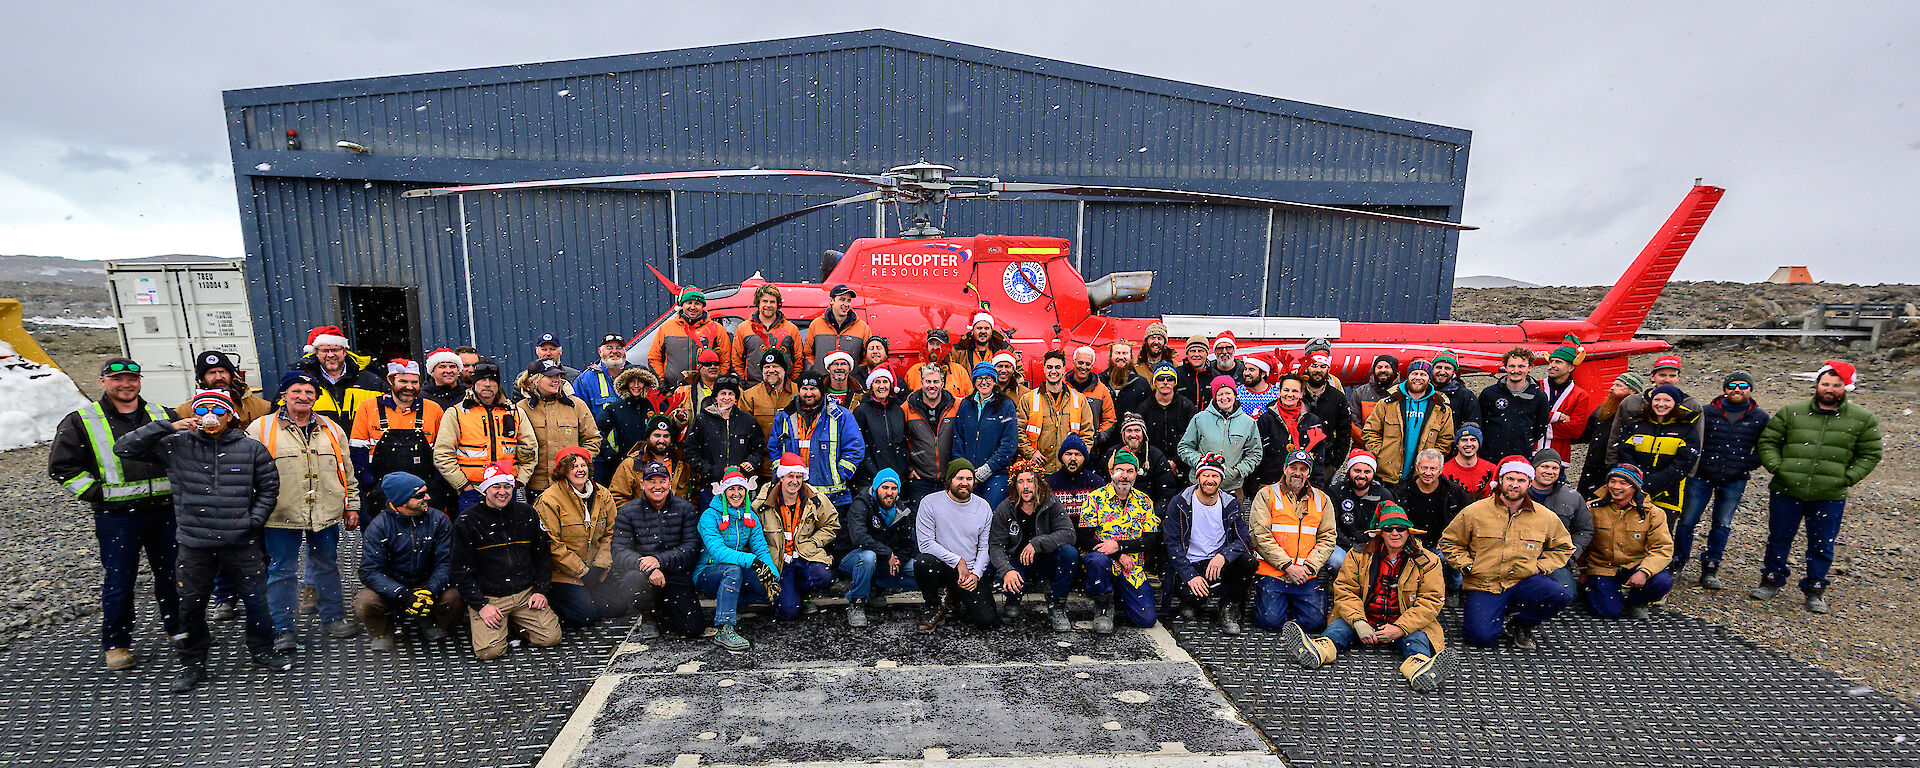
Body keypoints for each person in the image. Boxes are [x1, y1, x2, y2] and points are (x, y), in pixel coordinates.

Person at [113, 387, 287, 692]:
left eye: (219, 411)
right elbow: (124, 449)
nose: (211, 417)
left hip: (241, 541)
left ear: (230, 415)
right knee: (190, 606)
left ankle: (262, 650)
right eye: (204, 410)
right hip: (195, 543)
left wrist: (253, 521)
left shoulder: (251, 449)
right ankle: (192, 662)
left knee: (257, 600)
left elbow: (269, 488)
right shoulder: (174, 444)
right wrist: (166, 425)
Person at [48, 357, 182, 671]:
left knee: (174, 576)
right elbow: (62, 468)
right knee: (120, 581)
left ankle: (179, 630)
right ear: (104, 382)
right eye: (118, 379)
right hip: (119, 517)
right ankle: (117, 643)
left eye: (131, 379)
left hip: (165, 512)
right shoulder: (82, 420)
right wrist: (97, 494)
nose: (126, 385)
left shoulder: (162, 415)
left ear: (139, 382)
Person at [1282, 503, 1457, 693]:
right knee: (1339, 629)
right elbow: (1345, 590)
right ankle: (1318, 651)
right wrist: (1359, 622)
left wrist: (1400, 627)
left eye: (1401, 529)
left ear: (1409, 532)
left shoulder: (1429, 561)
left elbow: (1431, 601)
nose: (1395, 533)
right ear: (1381, 532)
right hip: (1365, 618)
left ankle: (1420, 670)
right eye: (1389, 529)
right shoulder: (1358, 554)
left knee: (1416, 641)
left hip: (1405, 623)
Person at [1752, 360, 1882, 613]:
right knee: (1779, 538)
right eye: (1825, 383)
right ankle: (1771, 579)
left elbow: (1870, 453)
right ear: (1817, 384)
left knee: (1822, 543)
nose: (1830, 389)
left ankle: (1815, 589)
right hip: (1787, 489)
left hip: (1829, 494)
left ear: (1846, 387)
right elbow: (1768, 441)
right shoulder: (1792, 412)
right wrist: (1778, 468)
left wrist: (1847, 478)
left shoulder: (1862, 419)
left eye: (1836, 384)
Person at [249, 371, 360, 650]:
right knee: (281, 570)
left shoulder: (332, 429)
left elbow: (347, 471)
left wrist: (352, 505)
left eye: (309, 392)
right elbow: (248, 475)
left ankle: (333, 617)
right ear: (283, 396)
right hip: (279, 513)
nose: (303, 397)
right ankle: (283, 628)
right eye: (296, 391)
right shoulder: (260, 428)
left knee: (326, 566)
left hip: (325, 512)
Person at [1439, 456, 1575, 648]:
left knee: (1560, 594)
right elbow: (1449, 542)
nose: (1515, 485)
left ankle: (1521, 623)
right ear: (1500, 481)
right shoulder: (1475, 512)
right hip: (1485, 583)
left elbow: (1564, 547)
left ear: (1530, 483)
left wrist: (1540, 567)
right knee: (1480, 638)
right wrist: (1467, 565)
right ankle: (1493, 612)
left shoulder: (1545, 517)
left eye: (1521, 480)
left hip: (1523, 581)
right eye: (1510, 479)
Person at [451, 460, 562, 660]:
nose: (502, 492)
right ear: (485, 490)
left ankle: (515, 624)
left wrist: (540, 590)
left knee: (550, 638)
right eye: (496, 486)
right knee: (489, 652)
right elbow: (461, 570)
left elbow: (542, 556)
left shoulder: (527, 513)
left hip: (525, 593)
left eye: (507, 486)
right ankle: (485, 623)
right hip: (490, 597)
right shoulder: (467, 521)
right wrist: (480, 605)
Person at [1680, 371, 1769, 588]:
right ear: (1724, 388)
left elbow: (1765, 446)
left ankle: (1711, 566)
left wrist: (1746, 464)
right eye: (1732, 385)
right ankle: (1678, 561)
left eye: (1743, 385)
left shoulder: (1760, 417)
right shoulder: (1707, 412)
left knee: (1722, 524)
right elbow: (1692, 438)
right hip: (1701, 476)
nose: (1737, 389)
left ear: (1751, 389)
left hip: (1735, 479)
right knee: (1687, 521)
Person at [355, 472, 461, 651]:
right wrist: (403, 595)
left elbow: (446, 563)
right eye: (420, 495)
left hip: (426, 582)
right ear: (402, 501)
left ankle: (430, 619)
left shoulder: (439, 520)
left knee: (454, 597)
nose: (428, 497)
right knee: (365, 602)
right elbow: (369, 571)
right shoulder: (379, 527)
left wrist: (430, 590)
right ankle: (383, 629)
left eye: (426, 492)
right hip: (393, 585)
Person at [534, 448, 638, 627]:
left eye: (583, 465)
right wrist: (582, 572)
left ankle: (586, 598)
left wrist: (599, 565)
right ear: (563, 470)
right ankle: (556, 601)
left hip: (596, 570)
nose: (580, 470)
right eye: (573, 466)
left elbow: (612, 532)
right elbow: (553, 545)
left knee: (619, 607)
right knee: (586, 616)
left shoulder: (602, 494)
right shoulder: (549, 500)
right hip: (564, 574)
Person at [611, 460, 705, 639]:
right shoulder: (627, 511)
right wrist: (649, 566)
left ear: (670, 483)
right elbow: (619, 551)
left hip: (675, 573)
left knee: (693, 628)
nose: (657, 486)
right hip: (643, 573)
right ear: (643, 484)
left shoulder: (685, 509)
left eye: (662, 481)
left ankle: (666, 609)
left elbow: (691, 547)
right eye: (652, 481)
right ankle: (648, 616)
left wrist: (660, 561)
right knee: (631, 580)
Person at [695, 467, 784, 651]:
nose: (736, 494)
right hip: (709, 572)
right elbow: (718, 551)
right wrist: (752, 561)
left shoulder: (749, 515)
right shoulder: (709, 516)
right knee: (732, 570)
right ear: (724, 491)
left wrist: (773, 576)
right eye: (731, 489)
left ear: (746, 491)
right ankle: (724, 628)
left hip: (737, 569)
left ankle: (736, 605)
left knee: (770, 587)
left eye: (740, 489)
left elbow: (761, 549)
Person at [432, 359, 537, 513]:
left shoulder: (515, 413)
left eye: (493, 380)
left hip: (507, 491)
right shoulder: (456, 413)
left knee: (508, 536)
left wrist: (519, 482)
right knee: (472, 536)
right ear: (474, 383)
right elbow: (442, 454)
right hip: (473, 491)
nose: (488, 384)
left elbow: (530, 451)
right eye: (482, 380)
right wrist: (463, 486)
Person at [1164, 453, 1253, 634]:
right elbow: (1171, 543)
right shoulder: (1180, 502)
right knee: (1190, 599)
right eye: (1205, 475)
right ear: (1198, 477)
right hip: (1191, 563)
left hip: (1218, 563)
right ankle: (1192, 600)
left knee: (1248, 563)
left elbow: (1244, 540)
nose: (1210, 480)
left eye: (1214, 475)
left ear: (1221, 478)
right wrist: (1190, 575)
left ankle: (1228, 606)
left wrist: (1224, 556)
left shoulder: (1230, 503)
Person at [1248, 448, 1336, 631]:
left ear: (1309, 473)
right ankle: (1277, 604)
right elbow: (1259, 535)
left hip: (1306, 574)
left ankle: (1288, 608)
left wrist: (1309, 567)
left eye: (1303, 469)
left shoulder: (1322, 499)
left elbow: (1328, 538)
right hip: (1273, 572)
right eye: (1293, 468)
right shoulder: (1266, 494)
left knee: (1315, 623)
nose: (1297, 473)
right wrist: (1287, 566)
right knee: (1269, 621)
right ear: (1284, 469)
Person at [349, 359, 446, 524]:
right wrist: (369, 487)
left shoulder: (433, 409)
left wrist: (436, 486)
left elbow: (443, 451)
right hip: (382, 491)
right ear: (390, 380)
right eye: (403, 381)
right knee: (380, 543)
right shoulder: (368, 407)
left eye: (414, 382)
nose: (409, 387)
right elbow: (357, 452)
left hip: (424, 492)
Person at [988, 460, 1078, 630]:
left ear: (1038, 484)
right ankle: (1013, 598)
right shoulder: (1005, 508)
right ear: (1015, 485)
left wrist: (1037, 543)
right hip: (1017, 562)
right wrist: (1007, 570)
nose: (1026, 486)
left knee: (1069, 554)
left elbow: (1069, 534)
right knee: (1004, 571)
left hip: (1045, 560)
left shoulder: (1051, 503)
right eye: (1020, 482)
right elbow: (995, 546)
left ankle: (1057, 605)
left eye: (1030, 481)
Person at [913, 460, 1000, 631]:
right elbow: (925, 543)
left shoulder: (983, 507)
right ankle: (934, 606)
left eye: (969, 479)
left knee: (987, 620)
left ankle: (955, 597)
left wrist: (975, 574)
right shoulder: (930, 502)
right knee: (923, 562)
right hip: (941, 566)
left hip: (969, 571)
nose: (965, 483)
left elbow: (985, 547)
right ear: (950, 480)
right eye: (959, 478)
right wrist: (957, 561)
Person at [754, 453, 841, 620]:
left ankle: (795, 592)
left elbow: (832, 524)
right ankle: (784, 596)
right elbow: (753, 535)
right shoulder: (762, 503)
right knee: (789, 613)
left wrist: (813, 542)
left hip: (804, 556)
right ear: (781, 478)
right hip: (778, 562)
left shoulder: (815, 499)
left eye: (799, 476)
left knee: (825, 576)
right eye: (790, 476)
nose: (794, 481)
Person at [1081, 450, 1160, 632]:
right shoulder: (1095, 498)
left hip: (1132, 568)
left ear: (1135, 474)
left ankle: (1120, 596)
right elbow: (1084, 537)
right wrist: (1117, 554)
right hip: (1104, 560)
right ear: (1111, 472)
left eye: (1130, 471)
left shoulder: (1144, 500)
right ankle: (1103, 606)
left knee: (1146, 619)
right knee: (1096, 560)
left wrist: (1120, 546)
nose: (1124, 476)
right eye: (1119, 470)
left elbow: (1150, 540)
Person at [1582, 465, 1675, 620]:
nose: (1616, 487)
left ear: (1635, 487)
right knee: (1608, 612)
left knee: (1663, 582)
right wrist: (1584, 571)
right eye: (1612, 481)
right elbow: (1583, 541)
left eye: (1623, 483)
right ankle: (1595, 590)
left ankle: (1637, 601)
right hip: (1602, 567)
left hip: (1635, 565)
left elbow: (1662, 548)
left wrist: (1644, 572)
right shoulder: (1592, 508)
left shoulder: (1653, 514)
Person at [766, 370, 866, 512]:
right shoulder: (784, 417)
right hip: (794, 494)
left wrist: (840, 474)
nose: (808, 393)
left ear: (822, 391)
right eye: (804, 389)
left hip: (833, 497)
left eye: (813, 389)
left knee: (832, 533)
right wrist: (780, 472)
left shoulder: (841, 416)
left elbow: (856, 448)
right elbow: (774, 448)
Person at [1614, 384, 1701, 528]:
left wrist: (1654, 483)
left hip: (1668, 494)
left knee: (1661, 535)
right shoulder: (1636, 425)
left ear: (1676, 404)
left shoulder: (1686, 429)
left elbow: (1684, 463)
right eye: (1657, 400)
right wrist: (1638, 479)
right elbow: (1625, 453)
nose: (1661, 404)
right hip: (1634, 489)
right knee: (1631, 531)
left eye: (1667, 400)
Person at [841, 469, 920, 627]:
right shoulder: (861, 504)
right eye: (885, 488)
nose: (889, 493)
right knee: (868, 557)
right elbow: (859, 538)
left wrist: (899, 560)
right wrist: (888, 553)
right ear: (876, 488)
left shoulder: (901, 510)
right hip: (853, 558)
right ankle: (857, 602)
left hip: (884, 561)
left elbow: (909, 542)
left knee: (920, 568)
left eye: (893, 488)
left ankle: (876, 586)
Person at [517, 358, 602, 498]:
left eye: (558, 375)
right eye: (550, 376)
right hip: (535, 487)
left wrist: (577, 465)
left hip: (571, 485)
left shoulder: (576, 405)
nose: (556, 380)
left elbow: (593, 438)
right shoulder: (522, 408)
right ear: (535, 380)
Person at [1361, 358, 1455, 485]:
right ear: (1408, 376)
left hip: (1420, 478)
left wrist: (1430, 462)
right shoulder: (1387, 404)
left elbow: (1446, 441)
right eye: (1414, 373)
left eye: (1423, 374)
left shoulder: (1441, 409)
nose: (1418, 377)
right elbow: (1370, 431)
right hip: (1388, 475)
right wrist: (1380, 453)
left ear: (1429, 379)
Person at [1604, 355, 1705, 469]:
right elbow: (1616, 436)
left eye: (1672, 375)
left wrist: (1689, 473)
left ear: (1678, 377)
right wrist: (1612, 465)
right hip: (1630, 469)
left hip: (1671, 472)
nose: (1667, 379)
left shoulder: (1691, 405)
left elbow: (1696, 445)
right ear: (1652, 376)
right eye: (1662, 375)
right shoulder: (1631, 402)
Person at [1393, 449, 1469, 595]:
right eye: (1424, 468)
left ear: (1440, 470)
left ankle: (1451, 591)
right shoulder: (1402, 490)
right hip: (1411, 543)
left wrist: (1451, 539)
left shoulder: (1453, 491)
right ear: (1417, 468)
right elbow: (1395, 521)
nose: (1428, 473)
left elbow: (1467, 518)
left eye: (1433, 469)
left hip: (1442, 543)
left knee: (1450, 559)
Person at [945, 362, 1021, 508]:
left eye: (988, 378)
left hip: (996, 473)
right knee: (965, 512)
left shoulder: (1005, 405)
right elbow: (958, 439)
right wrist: (962, 468)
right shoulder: (966, 405)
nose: (984, 382)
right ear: (974, 381)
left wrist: (988, 468)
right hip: (967, 473)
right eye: (979, 378)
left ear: (994, 380)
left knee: (989, 511)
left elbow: (1009, 444)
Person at [683, 374, 766, 506]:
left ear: (736, 398)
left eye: (731, 394)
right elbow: (690, 451)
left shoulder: (748, 421)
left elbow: (759, 448)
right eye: (723, 393)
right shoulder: (702, 420)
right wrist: (709, 470)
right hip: (711, 485)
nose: (727, 398)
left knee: (740, 522)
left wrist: (752, 462)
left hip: (740, 485)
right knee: (711, 522)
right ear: (715, 396)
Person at [1178, 376, 1263, 501]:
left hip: (1232, 486)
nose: (1224, 398)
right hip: (1200, 484)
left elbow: (1255, 453)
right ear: (1214, 397)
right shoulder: (1200, 418)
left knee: (1232, 520)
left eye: (1228, 393)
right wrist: (1201, 462)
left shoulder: (1248, 422)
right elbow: (1184, 447)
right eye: (1220, 394)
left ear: (1235, 395)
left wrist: (1239, 470)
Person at [291, 324, 387, 429]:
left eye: (335, 350)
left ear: (345, 351)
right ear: (316, 353)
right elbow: (282, 415)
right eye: (325, 351)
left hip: (360, 444)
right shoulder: (299, 381)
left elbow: (393, 412)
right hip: (317, 444)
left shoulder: (371, 381)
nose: (331, 355)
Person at [1528, 448, 1594, 594]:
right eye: (1545, 466)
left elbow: (1584, 530)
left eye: (1555, 468)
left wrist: (1570, 555)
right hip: (1521, 557)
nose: (1549, 471)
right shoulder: (1519, 493)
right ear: (1534, 469)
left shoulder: (1573, 497)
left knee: (1567, 593)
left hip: (1555, 559)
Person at [1019, 350, 1095, 474]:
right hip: (1038, 471)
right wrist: (1031, 453)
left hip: (1068, 471)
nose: (1053, 371)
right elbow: (1018, 431)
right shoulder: (1028, 399)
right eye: (1049, 367)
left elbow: (1088, 434)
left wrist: (1076, 460)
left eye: (1057, 367)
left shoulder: (1079, 399)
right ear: (1043, 369)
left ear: (1064, 370)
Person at [1576, 372, 1645, 499]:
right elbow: (1584, 434)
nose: (1612, 388)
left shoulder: (1636, 415)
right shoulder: (1603, 408)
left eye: (1619, 386)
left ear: (1632, 392)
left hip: (1616, 469)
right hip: (1592, 466)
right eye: (1613, 384)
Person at [1475, 348, 1549, 462]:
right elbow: (1480, 423)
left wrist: (1522, 440)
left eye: (1521, 366)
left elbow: (1540, 428)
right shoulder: (1489, 394)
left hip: (1521, 457)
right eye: (1512, 366)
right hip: (1489, 456)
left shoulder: (1539, 396)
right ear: (1505, 367)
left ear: (1530, 368)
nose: (1516, 370)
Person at [650, 288, 732, 390]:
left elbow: (726, 359)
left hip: (706, 391)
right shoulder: (666, 327)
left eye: (697, 303)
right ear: (682, 305)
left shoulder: (716, 329)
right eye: (689, 303)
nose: (692, 307)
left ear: (703, 306)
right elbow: (654, 357)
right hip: (673, 391)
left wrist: (718, 383)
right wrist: (662, 383)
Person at [1325, 450, 1392, 573]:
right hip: (1342, 545)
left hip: (1373, 547)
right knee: (1336, 561)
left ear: (1373, 473)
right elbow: (1331, 527)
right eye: (1357, 471)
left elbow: (1390, 526)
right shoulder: (1335, 492)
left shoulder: (1383, 495)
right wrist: (1351, 547)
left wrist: (1372, 546)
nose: (1361, 475)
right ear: (1349, 470)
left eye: (1367, 472)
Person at [173, 350, 273, 428]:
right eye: (211, 373)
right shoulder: (185, 411)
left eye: (222, 371)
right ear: (202, 379)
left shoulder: (261, 407)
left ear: (232, 375)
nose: (218, 377)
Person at [902, 363, 957, 505]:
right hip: (920, 480)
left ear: (942, 383)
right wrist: (907, 469)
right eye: (928, 381)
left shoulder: (956, 406)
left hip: (949, 480)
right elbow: (899, 441)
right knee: (918, 522)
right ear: (921, 383)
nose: (932, 386)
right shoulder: (907, 408)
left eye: (936, 382)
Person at [593, 367, 660, 485]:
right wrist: (611, 456)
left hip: (656, 463)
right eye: (632, 381)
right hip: (628, 465)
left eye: (640, 381)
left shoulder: (656, 405)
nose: (636, 385)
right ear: (626, 383)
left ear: (646, 383)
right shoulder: (617, 408)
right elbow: (597, 431)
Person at [1299, 339, 1351, 487]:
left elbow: (1344, 433)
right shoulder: (1297, 393)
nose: (1318, 370)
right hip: (1296, 460)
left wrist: (1334, 465)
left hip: (1325, 464)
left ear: (1328, 369)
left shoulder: (1337, 397)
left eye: (1323, 366)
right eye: (1314, 366)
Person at [1098, 413, 1180, 507]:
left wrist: (1157, 516)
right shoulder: (1111, 454)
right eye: (1129, 431)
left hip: (1147, 511)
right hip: (1113, 511)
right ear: (1123, 434)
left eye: (1137, 430)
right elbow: (1102, 484)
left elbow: (1167, 491)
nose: (1133, 435)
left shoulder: (1156, 456)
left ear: (1143, 433)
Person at [1139, 363, 1197, 494]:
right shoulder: (1144, 408)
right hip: (1152, 467)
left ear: (1175, 382)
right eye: (1161, 379)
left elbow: (1195, 438)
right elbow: (1139, 440)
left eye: (1170, 379)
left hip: (1182, 468)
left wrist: (1176, 462)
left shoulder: (1187, 406)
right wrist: (1161, 463)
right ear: (1155, 382)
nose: (1165, 382)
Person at [609, 415, 686, 506]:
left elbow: (694, 497)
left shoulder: (682, 463)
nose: (661, 440)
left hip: (676, 518)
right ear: (647, 438)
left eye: (666, 436)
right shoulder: (631, 464)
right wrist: (639, 516)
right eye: (657, 435)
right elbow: (617, 497)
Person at [852, 367, 910, 488]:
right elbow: (857, 444)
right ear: (871, 386)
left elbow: (903, 443)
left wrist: (903, 469)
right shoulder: (861, 411)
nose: (881, 386)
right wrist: (869, 469)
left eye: (885, 382)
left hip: (895, 477)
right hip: (869, 478)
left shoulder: (898, 410)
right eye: (877, 382)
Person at [733, 284, 802, 385]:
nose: (768, 305)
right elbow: (736, 360)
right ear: (758, 303)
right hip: (753, 388)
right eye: (765, 301)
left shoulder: (791, 329)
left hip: (783, 391)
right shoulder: (743, 328)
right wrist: (744, 383)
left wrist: (790, 383)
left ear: (778, 304)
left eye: (772, 302)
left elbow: (798, 360)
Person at [1537, 337, 1593, 458]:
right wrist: (1557, 417)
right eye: (1551, 361)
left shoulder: (1580, 395)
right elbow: (1526, 416)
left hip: (1558, 457)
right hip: (1530, 452)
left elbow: (1576, 430)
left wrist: (1539, 425)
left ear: (1571, 367)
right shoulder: (1536, 387)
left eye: (1558, 362)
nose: (1552, 365)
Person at [1047, 435, 1105, 546]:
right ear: (1061, 458)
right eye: (1068, 454)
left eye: (1078, 454)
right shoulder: (1049, 484)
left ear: (1084, 458)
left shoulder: (1096, 483)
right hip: (1060, 541)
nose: (1073, 458)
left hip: (1090, 541)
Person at [804, 284, 870, 373]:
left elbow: (867, 358)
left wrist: (856, 375)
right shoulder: (816, 325)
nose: (846, 304)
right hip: (822, 383)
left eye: (848, 300)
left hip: (849, 384)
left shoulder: (863, 328)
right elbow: (808, 354)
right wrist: (814, 371)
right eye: (842, 300)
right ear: (831, 301)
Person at [741, 350, 798, 448]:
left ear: (784, 369)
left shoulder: (799, 393)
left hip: (793, 458)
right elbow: (743, 429)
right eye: (767, 367)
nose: (771, 370)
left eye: (775, 366)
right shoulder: (749, 396)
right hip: (761, 458)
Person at [572, 333, 630, 419]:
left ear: (624, 351)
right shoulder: (585, 380)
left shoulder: (637, 376)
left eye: (619, 348)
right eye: (609, 348)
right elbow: (577, 415)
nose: (614, 351)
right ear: (600, 351)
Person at [1346, 354, 1400, 445]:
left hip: (1394, 449)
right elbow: (1354, 424)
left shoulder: (1403, 393)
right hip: (1365, 448)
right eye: (1379, 367)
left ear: (1394, 370)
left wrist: (1389, 446)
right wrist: (1372, 444)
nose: (1383, 370)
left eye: (1387, 367)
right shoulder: (1360, 393)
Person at [1066, 346, 1117, 436]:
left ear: (1092, 366)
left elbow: (1109, 419)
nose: (1083, 367)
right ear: (1074, 362)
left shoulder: (1102, 390)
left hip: (1090, 445)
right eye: (1080, 363)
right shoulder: (1062, 385)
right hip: (1063, 444)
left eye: (1088, 364)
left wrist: (1099, 437)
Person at [667, 350, 727, 425]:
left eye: (716, 364)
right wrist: (680, 418)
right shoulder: (684, 391)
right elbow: (676, 424)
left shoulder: (732, 389)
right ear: (699, 367)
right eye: (707, 364)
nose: (713, 367)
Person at [907, 328, 970, 398]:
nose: (934, 348)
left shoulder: (959, 371)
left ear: (946, 347)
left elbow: (969, 398)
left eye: (938, 344)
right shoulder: (913, 371)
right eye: (931, 344)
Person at [1443, 424, 1496, 499]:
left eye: (1473, 440)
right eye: (1464, 440)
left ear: (1479, 443)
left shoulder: (1492, 470)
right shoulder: (1444, 471)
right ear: (1457, 444)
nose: (1468, 444)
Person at [1428, 351, 1479, 429]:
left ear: (1454, 372)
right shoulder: (1424, 392)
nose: (1442, 372)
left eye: (1447, 368)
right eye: (1438, 367)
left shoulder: (1465, 396)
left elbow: (1472, 426)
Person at [1105, 339, 1151, 415]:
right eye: (1117, 353)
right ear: (1110, 356)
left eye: (1125, 353)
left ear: (1131, 357)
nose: (1121, 357)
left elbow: (1148, 412)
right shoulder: (1100, 381)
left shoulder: (1141, 384)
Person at [1174, 334, 1212, 407]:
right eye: (1193, 351)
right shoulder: (1177, 374)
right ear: (1187, 353)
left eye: (1200, 351)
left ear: (1207, 353)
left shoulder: (1215, 376)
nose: (1196, 354)